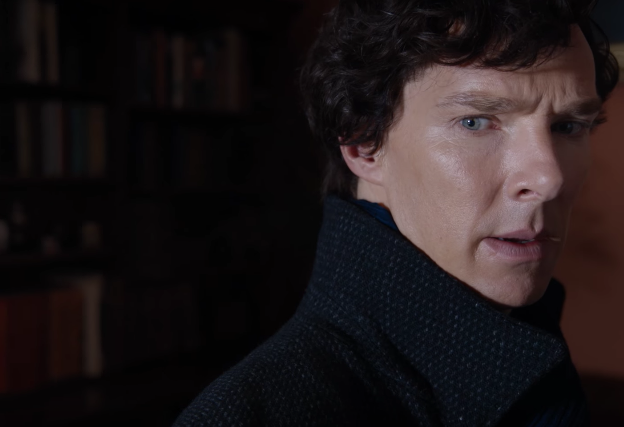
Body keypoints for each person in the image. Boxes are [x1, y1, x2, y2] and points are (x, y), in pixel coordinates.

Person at [174, 0, 619, 425]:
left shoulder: (534, 363)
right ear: (364, 143)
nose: (549, 178)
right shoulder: (255, 413)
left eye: (568, 126)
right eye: (476, 122)